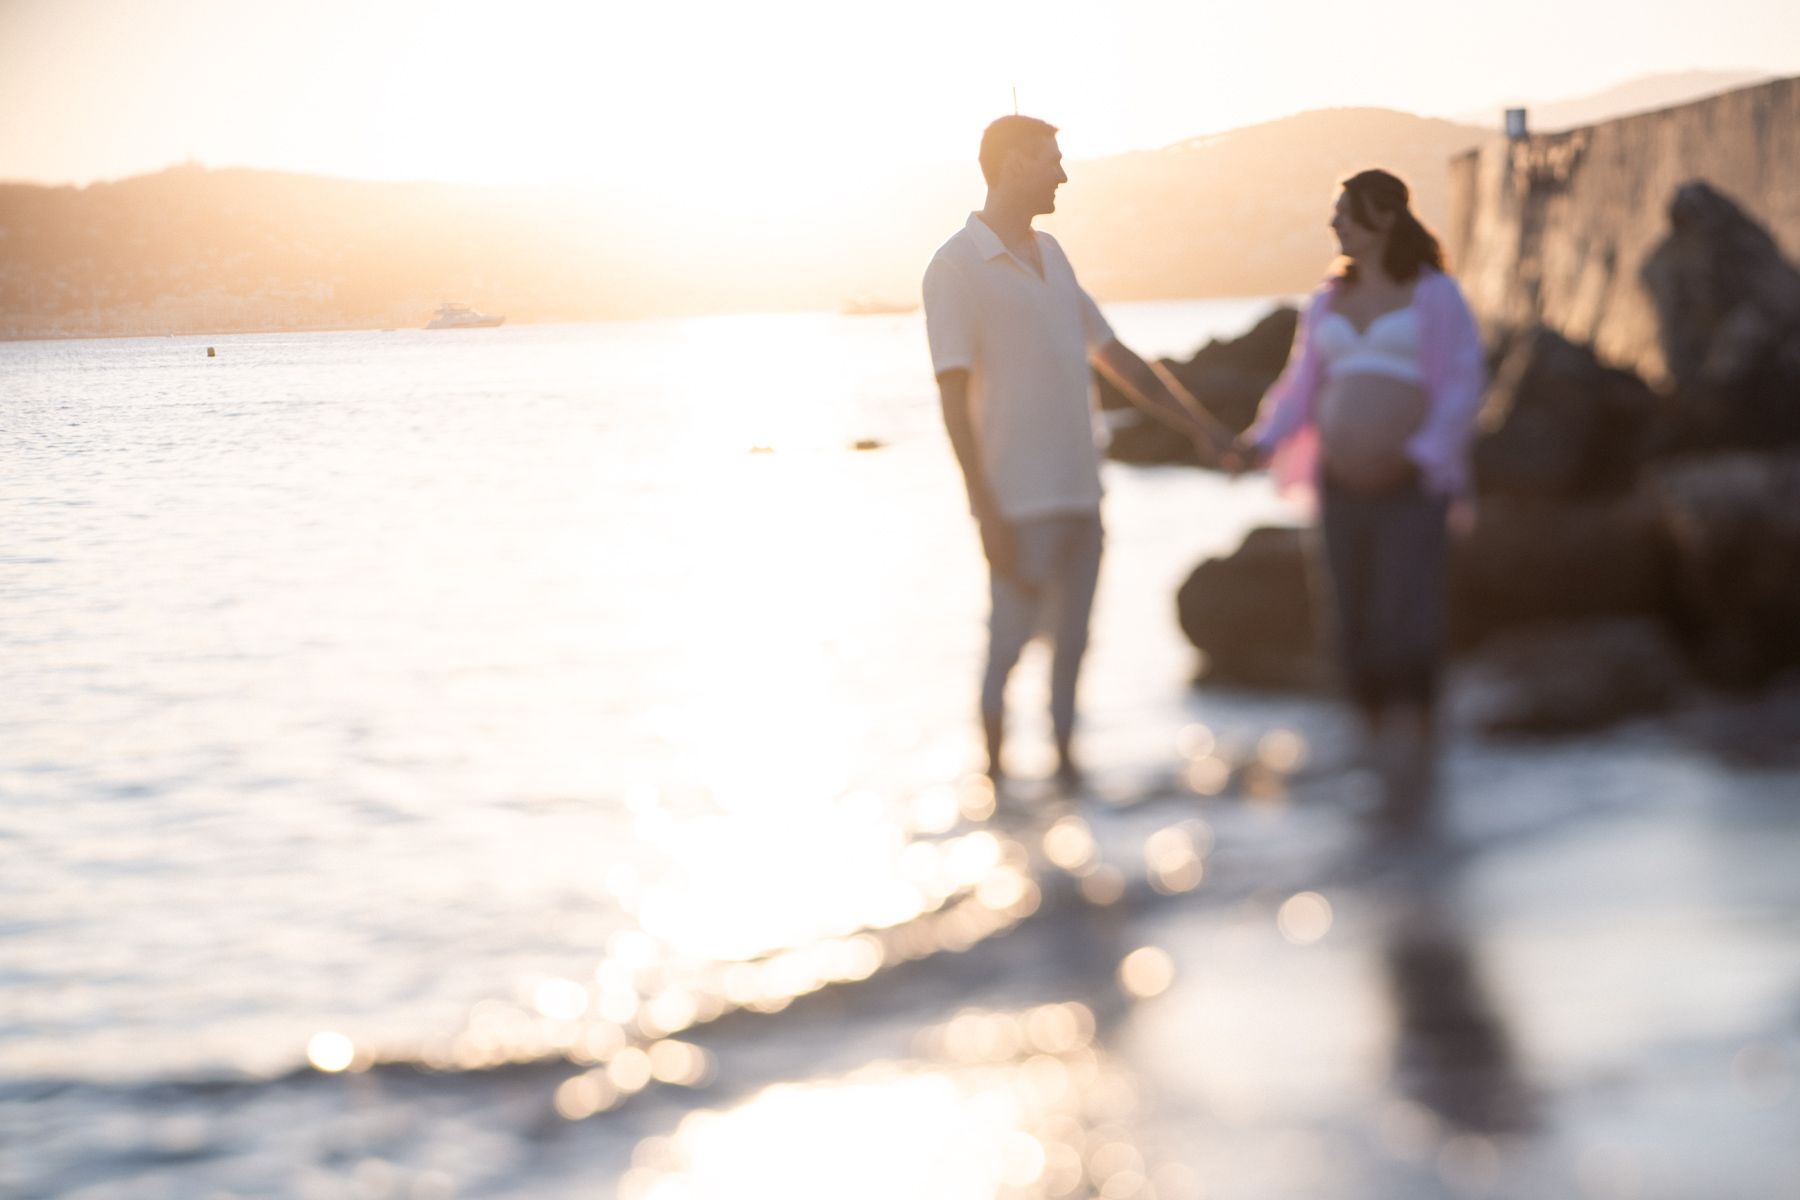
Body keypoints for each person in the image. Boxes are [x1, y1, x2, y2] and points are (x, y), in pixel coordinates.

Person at [923, 115, 1235, 789]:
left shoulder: (1053, 255)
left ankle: (1068, 799)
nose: (1062, 174)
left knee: (1072, 657)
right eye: (1050, 161)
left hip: (1081, 499)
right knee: (1005, 655)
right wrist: (986, 515)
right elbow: (952, 400)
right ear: (1011, 166)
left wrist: (1201, 427)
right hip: (1017, 507)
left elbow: (1119, 358)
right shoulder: (953, 268)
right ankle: (996, 800)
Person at [1240, 168, 1485, 831]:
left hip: (1412, 485)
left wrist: (1422, 451)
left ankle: (1427, 763)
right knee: (1351, 622)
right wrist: (1260, 441)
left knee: (1411, 616)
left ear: (1382, 218)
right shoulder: (1328, 298)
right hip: (1342, 488)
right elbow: (1299, 386)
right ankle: (1376, 765)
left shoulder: (1435, 295)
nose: (1336, 225)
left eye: (1346, 213)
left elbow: (1463, 381)